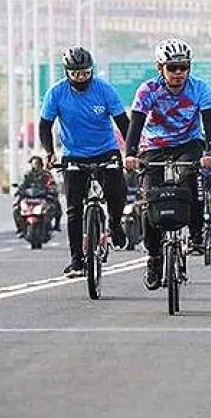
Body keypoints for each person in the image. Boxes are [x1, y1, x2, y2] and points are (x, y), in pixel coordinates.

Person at [125, 38, 211, 290]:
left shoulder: (200, 89)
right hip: (154, 146)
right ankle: (154, 257)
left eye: (183, 67)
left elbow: (210, 126)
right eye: (172, 68)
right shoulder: (148, 90)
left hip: (188, 144)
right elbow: (135, 125)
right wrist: (130, 153)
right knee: (149, 199)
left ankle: (197, 234)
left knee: (192, 178)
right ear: (160, 68)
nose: (179, 73)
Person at [39, 46, 129, 277]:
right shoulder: (56, 93)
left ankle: (116, 225)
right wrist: (50, 152)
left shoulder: (105, 90)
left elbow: (123, 122)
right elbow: (45, 126)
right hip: (74, 154)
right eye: (76, 74)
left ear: (92, 70)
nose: (81, 78)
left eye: (85, 73)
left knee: (116, 192)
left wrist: (131, 152)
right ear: (67, 72)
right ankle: (76, 259)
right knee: (73, 207)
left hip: (105, 150)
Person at [13, 156, 61, 237]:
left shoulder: (46, 174)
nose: (35, 166)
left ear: (41, 164)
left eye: (37, 164)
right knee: (16, 208)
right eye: (34, 164)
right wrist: (19, 190)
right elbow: (22, 185)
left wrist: (51, 189)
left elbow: (52, 184)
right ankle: (19, 228)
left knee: (56, 204)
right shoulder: (28, 174)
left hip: (43, 196)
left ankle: (56, 225)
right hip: (29, 197)